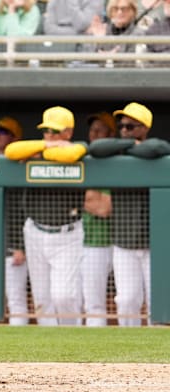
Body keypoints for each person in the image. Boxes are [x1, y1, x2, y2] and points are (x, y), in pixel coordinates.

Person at [87, 102, 170, 326]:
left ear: (145, 128)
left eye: (131, 127)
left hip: (155, 244)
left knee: (159, 301)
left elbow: (158, 148)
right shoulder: (116, 150)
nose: (125, 129)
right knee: (126, 300)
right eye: (122, 126)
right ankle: (128, 357)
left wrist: (130, 146)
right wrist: (129, 143)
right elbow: (95, 149)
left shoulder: (154, 149)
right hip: (123, 242)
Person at [4, 106, 86, 326]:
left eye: (55, 132)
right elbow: (11, 151)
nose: (50, 135)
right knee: (42, 298)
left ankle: (73, 341)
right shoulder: (37, 147)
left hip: (67, 233)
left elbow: (71, 153)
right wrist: (46, 146)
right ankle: (48, 350)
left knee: (64, 296)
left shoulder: (79, 148)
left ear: (68, 132)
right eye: (46, 131)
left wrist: (44, 153)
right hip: (35, 231)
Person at [0, 116, 29, 326]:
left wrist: (20, 246)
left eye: (3, 133)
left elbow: (22, 212)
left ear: (15, 138)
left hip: (13, 245)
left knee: (16, 298)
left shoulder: (19, 168)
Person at [81, 112, 115, 326]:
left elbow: (104, 208)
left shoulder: (117, 161)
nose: (93, 134)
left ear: (110, 134)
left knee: (130, 299)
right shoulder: (85, 158)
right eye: (92, 130)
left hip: (121, 242)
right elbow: (88, 203)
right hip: (92, 242)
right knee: (92, 300)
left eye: (99, 130)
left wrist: (95, 201)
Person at [83, 0, 148, 54]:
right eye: (115, 9)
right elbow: (86, 59)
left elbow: (134, 63)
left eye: (124, 9)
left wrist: (113, 58)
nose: (119, 12)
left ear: (132, 11)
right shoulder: (102, 30)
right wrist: (99, 40)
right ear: (111, 12)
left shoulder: (139, 33)